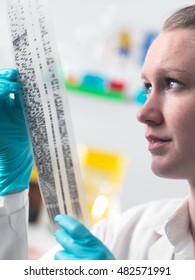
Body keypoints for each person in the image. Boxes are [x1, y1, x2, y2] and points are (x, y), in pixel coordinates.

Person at [1, 4, 195, 260]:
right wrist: (10, 193)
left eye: (172, 83)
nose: (143, 113)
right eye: (147, 87)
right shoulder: (123, 235)